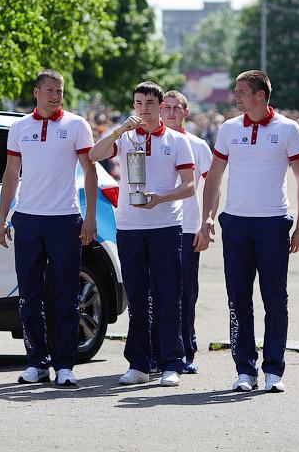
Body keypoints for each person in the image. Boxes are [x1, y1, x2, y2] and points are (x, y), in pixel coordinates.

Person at [196, 70, 299, 393]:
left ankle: (274, 370)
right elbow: (215, 176)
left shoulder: (288, 129)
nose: (236, 96)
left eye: (242, 91)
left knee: (275, 299)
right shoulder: (229, 129)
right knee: (238, 300)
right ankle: (245, 370)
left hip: (273, 224)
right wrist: (208, 217)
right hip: (235, 224)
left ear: (260, 95)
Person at [88, 81, 195, 387]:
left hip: (165, 226)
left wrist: (160, 198)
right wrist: (119, 131)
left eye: (149, 103)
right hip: (130, 226)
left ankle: (171, 362)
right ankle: (138, 364)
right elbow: (95, 155)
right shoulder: (125, 139)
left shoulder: (175, 141)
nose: (143, 109)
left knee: (168, 294)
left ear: (161, 107)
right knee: (136, 296)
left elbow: (189, 185)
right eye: (138, 103)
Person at [0, 69, 98, 387]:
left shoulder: (76, 125)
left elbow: (90, 171)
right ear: (36, 92)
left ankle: (65, 364)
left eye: (61, 91)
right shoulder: (19, 127)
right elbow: (11, 174)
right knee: (29, 296)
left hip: (65, 219)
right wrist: (2, 219)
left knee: (66, 296)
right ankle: (37, 362)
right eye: (51, 90)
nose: (56, 96)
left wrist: (90, 217)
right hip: (27, 220)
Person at [157, 90, 214, 374]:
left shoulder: (197, 145)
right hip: (157, 227)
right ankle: (159, 352)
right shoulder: (151, 141)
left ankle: (186, 351)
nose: (169, 112)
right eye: (165, 107)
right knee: (158, 291)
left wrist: (207, 221)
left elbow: (212, 186)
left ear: (185, 112)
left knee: (185, 293)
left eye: (175, 108)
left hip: (188, 228)